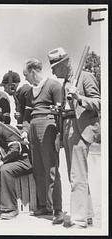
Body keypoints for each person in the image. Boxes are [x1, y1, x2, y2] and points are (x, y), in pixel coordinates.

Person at [48, 47, 101, 228]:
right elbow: (68, 110)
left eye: (55, 67)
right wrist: (59, 110)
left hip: (80, 130)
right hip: (68, 129)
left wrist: (78, 97)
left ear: (64, 63)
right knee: (76, 176)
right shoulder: (65, 84)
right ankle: (87, 215)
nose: (53, 71)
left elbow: (99, 102)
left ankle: (79, 220)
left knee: (77, 176)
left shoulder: (85, 77)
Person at [22, 58, 64, 224]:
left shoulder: (54, 86)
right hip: (33, 127)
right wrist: (25, 131)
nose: (24, 78)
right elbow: (26, 116)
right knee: (38, 169)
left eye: (26, 74)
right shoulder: (29, 92)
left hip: (48, 126)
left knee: (51, 169)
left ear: (33, 71)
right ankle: (44, 206)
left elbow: (61, 112)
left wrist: (59, 136)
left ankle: (58, 209)